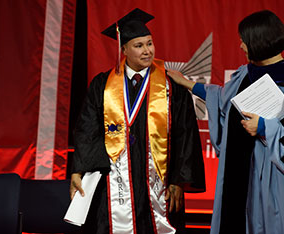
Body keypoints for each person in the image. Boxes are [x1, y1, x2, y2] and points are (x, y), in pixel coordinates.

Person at [168, 10, 284, 234]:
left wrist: (263, 127)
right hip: (241, 178)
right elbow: (225, 101)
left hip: (272, 183)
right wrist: (188, 84)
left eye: (244, 41)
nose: (241, 46)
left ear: (259, 41)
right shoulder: (246, 74)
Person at [70, 8, 205, 234]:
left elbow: (186, 133)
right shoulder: (102, 85)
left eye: (149, 43)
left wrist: (179, 181)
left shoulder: (170, 86)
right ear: (123, 49)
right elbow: (86, 130)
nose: (147, 51)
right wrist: (78, 170)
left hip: (160, 182)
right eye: (139, 45)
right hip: (114, 183)